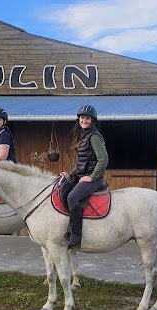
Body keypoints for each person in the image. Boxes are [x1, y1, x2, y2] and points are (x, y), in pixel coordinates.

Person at [59, 105, 109, 248]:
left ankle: (76, 235)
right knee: (63, 190)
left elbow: (103, 159)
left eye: (87, 118)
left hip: (94, 179)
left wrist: (92, 177)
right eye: (82, 118)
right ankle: (70, 225)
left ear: (92, 120)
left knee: (72, 197)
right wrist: (70, 174)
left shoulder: (94, 136)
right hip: (82, 175)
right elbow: (81, 162)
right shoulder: (83, 135)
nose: (84, 120)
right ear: (79, 119)